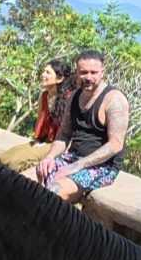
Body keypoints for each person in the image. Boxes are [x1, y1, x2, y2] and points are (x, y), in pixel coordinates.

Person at [23, 50, 129, 203]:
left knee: (51, 194)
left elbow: (116, 144)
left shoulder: (114, 100)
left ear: (103, 72)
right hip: (72, 158)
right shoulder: (74, 97)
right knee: (22, 182)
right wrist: (50, 157)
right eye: (83, 72)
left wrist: (77, 166)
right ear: (76, 72)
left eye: (93, 72)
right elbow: (64, 134)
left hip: (101, 167)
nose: (88, 77)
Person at [0, 59, 75, 173]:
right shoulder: (44, 96)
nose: (43, 75)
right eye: (44, 71)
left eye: (48, 73)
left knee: (16, 161)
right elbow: (41, 122)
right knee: (3, 158)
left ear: (60, 78)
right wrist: (38, 141)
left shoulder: (69, 98)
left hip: (59, 145)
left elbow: (69, 132)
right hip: (44, 141)